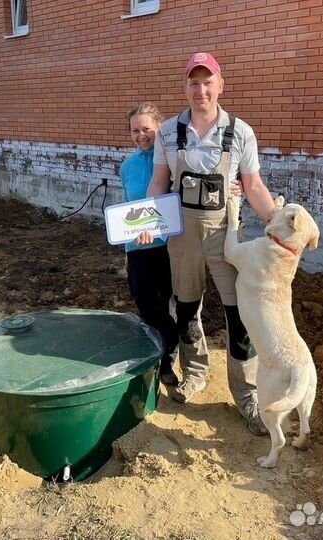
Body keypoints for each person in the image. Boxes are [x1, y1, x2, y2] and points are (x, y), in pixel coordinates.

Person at [138, 52, 275, 436]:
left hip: (225, 237)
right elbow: (158, 183)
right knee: (185, 309)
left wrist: (275, 222)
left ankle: (247, 395)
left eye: (207, 81)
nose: (201, 89)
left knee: (239, 316)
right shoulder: (168, 132)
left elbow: (254, 186)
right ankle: (195, 373)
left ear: (220, 85)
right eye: (193, 82)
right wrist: (148, 222)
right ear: (185, 87)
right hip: (182, 237)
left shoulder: (241, 132)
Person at [120, 102, 179, 386]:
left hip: (167, 248)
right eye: (135, 130)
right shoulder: (127, 166)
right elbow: (125, 207)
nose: (141, 135)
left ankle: (167, 360)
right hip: (138, 248)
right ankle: (158, 351)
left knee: (166, 305)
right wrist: (127, 250)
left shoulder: (172, 160)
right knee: (144, 304)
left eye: (147, 129)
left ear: (159, 128)